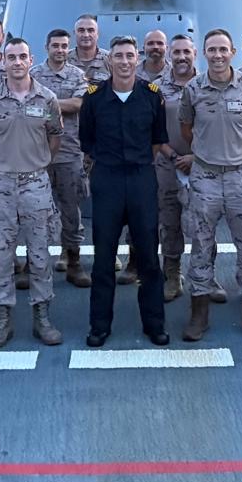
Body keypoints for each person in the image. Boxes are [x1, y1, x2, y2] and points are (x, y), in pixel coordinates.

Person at [179, 28, 242, 342]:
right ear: (205, 53)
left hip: (240, 178)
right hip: (205, 177)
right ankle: (199, 314)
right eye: (212, 50)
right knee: (201, 246)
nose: (217, 55)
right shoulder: (193, 89)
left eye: (223, 49)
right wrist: (206, 152)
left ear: (233, 52)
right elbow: (187, 128)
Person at [79, 36, 170, 346]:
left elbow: (157, 140)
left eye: (130, 56)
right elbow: (87, 141)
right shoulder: (93, 98)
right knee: (103, 257)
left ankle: (154, 324)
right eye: (118, 56)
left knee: (148, 256)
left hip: (142, 178)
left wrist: (138, 164)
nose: (124, 61)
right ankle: (99, 325)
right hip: (107, 179)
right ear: (110, 60)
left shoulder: (152, 96)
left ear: (137, 58)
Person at [0, 37, 65, 347]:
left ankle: (42, 316)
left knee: (39, 253)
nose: (16, 62)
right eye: (11, 57)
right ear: (3, 62)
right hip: (0, 184)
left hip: (35, 183)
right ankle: (3, 315)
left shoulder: (48, 100)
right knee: (0, 253)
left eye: (22, 57)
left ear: (31, 60)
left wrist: (39, 162)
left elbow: (55, 136)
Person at [32, 29, 90, 288]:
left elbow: (79, 104)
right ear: (47, 47)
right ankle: (36, 264)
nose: (60, 50)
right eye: (55, 45)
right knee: (35, 211)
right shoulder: (34, 74)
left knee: (70, 210)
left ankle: (74, 261)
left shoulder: (77, 75)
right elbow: (27, 107)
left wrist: (45, 105)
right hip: (37, 154)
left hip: (68, 152)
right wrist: (57, 107)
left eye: (64, 46)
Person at [154, 34, 202, 303]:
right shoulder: (155, 88)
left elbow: (218, 128)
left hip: (204, 164)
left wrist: (196, 157)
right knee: (170, 221)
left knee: (204, 223)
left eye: (186, 52)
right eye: (177, 52)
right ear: (169, 55)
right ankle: (172, 275)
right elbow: (151, 130)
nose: (182, 57)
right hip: (167, 164)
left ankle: (206, 276)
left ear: (195, 53)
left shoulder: (208, 85)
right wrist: (173, 155)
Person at [72, 14, 112, 86]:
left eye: (90, 30)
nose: (86, 35)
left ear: (97, 34)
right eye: (81, 30)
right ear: (74, 33)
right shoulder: (64, 60)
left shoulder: (110, 59)